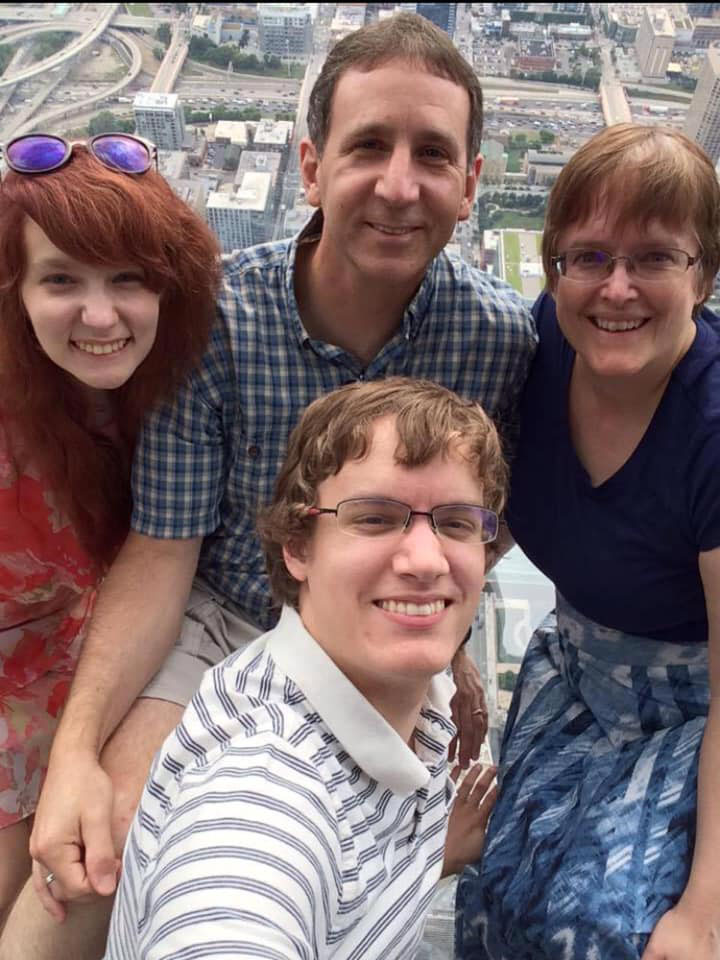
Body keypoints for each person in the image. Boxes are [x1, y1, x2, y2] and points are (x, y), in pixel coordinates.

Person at [12, 13, 536, 959]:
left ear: (470, 187)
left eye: (433, 154)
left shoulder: (499, 339)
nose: (397, 184)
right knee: (92, 863)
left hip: (382, 633)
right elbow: (166, 550)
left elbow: (476, 526)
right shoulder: (220, 321)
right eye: (368, 145)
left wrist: (454, 656)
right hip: (229, 621)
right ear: (308, 165)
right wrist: (80, 758)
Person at [105, 377, 502, 959]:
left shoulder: (403, 696)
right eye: (373, 518)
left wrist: (434, 855)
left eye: (457, 523)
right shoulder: (259, 796)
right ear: (298, 546)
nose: (425, 560)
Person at [455, 124, 720, 960]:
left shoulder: (711, 428)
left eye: (653, 259)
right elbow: (479, 516)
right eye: (589, 257)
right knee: (496, 886)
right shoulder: (539, 352)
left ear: (704, 274)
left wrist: (702, 913)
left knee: (604, 931)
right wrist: (446, 648)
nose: (616, 289)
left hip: (692, 721)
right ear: (553, 267)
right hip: (573, 678)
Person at [0, 134, 219, 946]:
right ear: (14, 289)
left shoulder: (189, 388)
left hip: (122, 683)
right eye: (61, 280)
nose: (100, 316)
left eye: (128, 279)